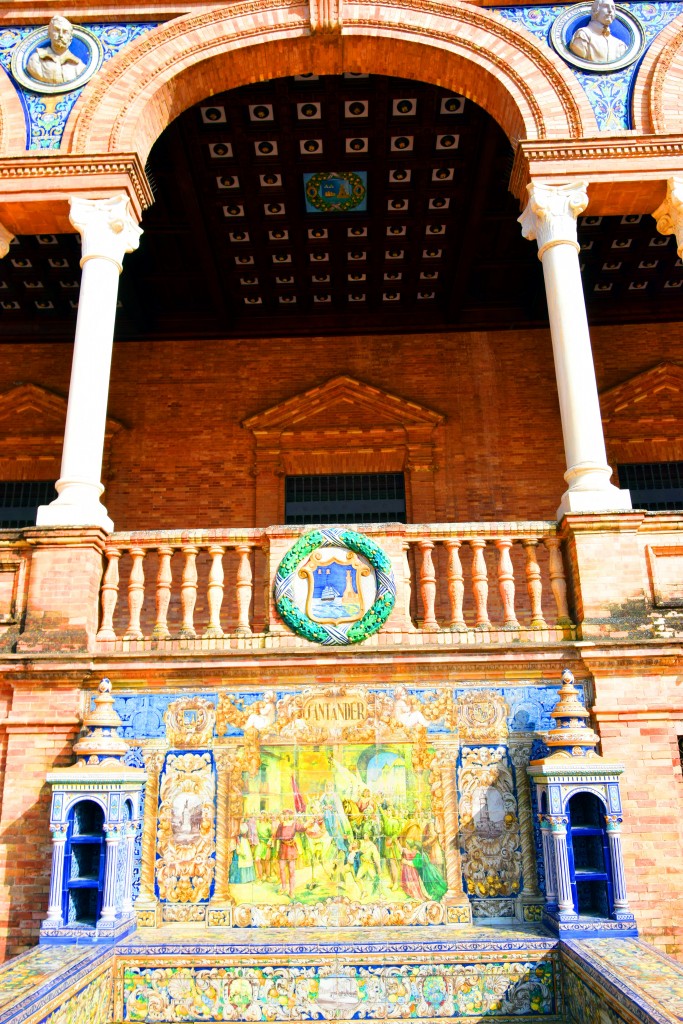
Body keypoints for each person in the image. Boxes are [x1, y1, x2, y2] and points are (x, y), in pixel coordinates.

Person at [27, 16, 86, 86]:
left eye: (65, 32)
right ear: (49, 33)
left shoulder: (78, 65)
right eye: (57, 30)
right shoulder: (36, 59)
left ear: (70, 39)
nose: (60, 35)